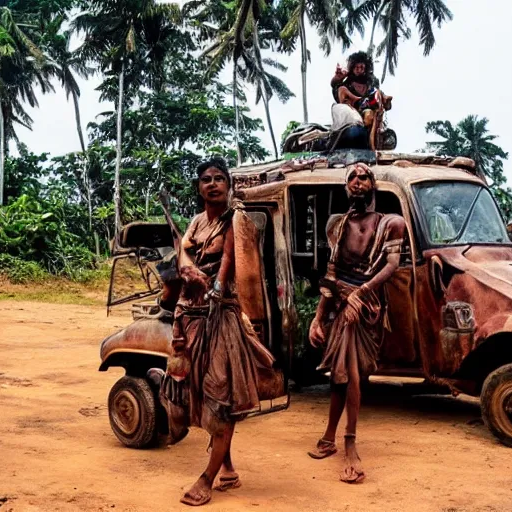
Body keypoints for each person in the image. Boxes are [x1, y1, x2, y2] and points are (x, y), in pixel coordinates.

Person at [150, 159, 277, 507]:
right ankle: (229, 466)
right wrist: (189, 271)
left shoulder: (234, 220)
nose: (213, 184)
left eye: (220, 178)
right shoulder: (195, 222)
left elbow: (229, 266)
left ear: (229, 185)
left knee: (220, 398)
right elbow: (183, 255)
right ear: (199, 187)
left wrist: (213, 284)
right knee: (195, 394)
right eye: (206, 179)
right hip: (190, 318)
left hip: (222, 319)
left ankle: (207, 477)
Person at [307, 163, 405, 484]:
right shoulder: (337, 226)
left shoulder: (390, 224)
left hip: (368, 308)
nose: (358, 181)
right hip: (341, 306)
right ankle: (331, 438)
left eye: (363, 177)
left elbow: (390, 266)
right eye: (352, 177)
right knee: (341, 376)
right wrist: (319, 317)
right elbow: (331, 274)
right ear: (346, 187)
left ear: (372, 184)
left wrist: (358, 296)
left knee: (350, 374)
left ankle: (349, 444)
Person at [331, 52, 393, 150]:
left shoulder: (371, 85)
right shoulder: (347, 85)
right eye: (357, 67)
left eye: (362, 67)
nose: (359, 70)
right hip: (354, 120)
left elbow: (386, 105)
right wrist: (336, 79)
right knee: (357, 130)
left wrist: (385, 102)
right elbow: (338, 95)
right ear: (352, 68)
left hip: (374, 122)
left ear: (366, 68)